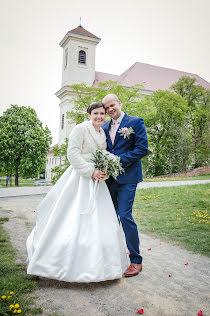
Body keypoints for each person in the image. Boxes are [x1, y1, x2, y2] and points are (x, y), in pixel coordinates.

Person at [26, 102, 128, 283]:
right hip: (80, 178)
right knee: (72, 217)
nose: (99, 117)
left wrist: (105, 167)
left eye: (102, 114)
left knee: (98, 220)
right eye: (95, 113)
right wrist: (90, 172)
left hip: (98, 181)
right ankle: (51, 262)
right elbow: (72, 154)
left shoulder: (102, 132)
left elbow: (102, 153)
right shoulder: (80, 129)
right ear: (89, 114)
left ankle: (98, 266)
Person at [102, 94, 148, 277]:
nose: (110, 109)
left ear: (119, 103)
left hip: (128, 177)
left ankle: (136, 260)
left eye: (112, 105)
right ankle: (111, 256)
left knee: (124, 215)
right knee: (110, 218)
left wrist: (119, 160)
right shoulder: (104, 127)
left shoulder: (135, 122)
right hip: (109, 180)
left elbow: (142, 149)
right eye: (106, 108)